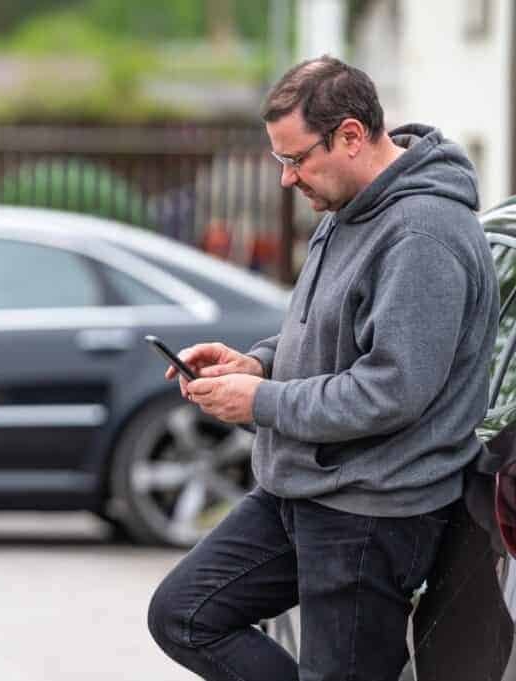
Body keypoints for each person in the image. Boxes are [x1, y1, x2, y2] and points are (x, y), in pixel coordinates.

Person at [147, 55, 500, 681]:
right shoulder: (347, 208)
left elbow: (390, 390)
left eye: (295, 159)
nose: (287, 180)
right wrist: (255, 361)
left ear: (352, 136)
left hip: (371, 510)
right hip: (299, 488)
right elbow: (323, 333)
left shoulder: (423, 235)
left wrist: (260, 401)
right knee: (185, 614)